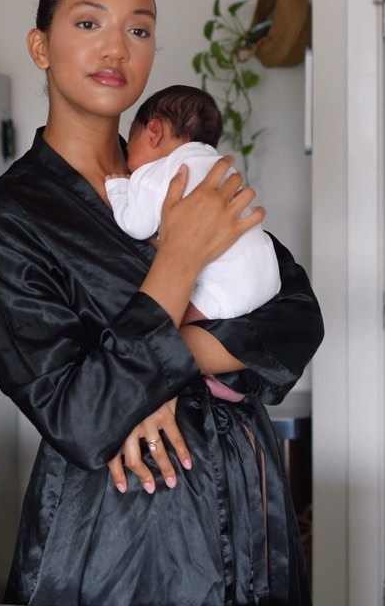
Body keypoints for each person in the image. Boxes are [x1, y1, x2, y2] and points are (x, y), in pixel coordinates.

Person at [0, 0, 324, 606]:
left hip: (250, 508)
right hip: (120, 538)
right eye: (88, 23)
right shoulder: (12, 215)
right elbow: (79, 416)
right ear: (40, 46)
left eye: (138, 29)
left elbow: (297, 316)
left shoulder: (186, 171)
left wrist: (152, 371)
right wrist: (178, 259)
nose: (116, 48)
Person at [105, 83, 281, 406]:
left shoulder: (152, 174)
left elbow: (136, 224)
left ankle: (218, 381)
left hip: (226, 288)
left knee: (170, 325)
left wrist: (117, 188)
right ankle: (240, 374)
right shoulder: (218, 166)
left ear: (153, 132)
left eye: (131, 144)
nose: (129, 157)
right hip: (270, 276)